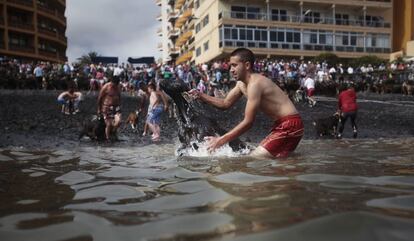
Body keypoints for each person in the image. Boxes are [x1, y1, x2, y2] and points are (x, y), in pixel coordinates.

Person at [189, 48, 304, 158]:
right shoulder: (241, 84)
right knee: (278, 160)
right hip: (286, 124)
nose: (231, 70)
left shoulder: (255, 84)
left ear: (247, 65)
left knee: (254, 158)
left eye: (234, 65)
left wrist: (220, 140)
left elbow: (249, 122)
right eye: (230, 66)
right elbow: (225, 103)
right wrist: (201, 95)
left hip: (289, 125)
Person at [97, 76, 122, 141]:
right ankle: (108, 138)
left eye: (117, 84)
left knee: (118, 122)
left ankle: (113, 132)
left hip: (116, 108)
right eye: (114, 84)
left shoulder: (118, 87)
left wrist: (119, 107)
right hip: (106, 107)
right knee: (108, 124)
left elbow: (119, 97)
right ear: (111, 82)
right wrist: (99, 109)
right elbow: (99, 98)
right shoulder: (106, 87)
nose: (115, 86)